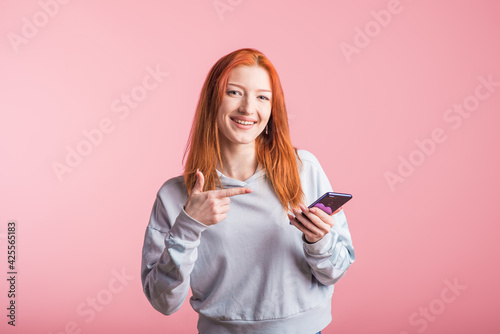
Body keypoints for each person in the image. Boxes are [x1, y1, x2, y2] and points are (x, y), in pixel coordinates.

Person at [140, 48, 355, 334]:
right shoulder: (175, 195)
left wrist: (319, 241)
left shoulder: (304, 170)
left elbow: (335, 272)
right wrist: (188, 227)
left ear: (272, 108)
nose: (247, 108)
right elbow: (163, 301)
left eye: (262, 97)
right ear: (212, 101)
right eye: (234, 92)